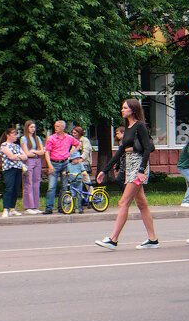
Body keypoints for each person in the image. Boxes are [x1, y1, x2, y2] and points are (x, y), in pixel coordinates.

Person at [94, 99, 159, 249]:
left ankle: (113, 239)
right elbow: (120, 152)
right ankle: (153, 239)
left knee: (123, 202)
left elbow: (148, 148)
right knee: (142, 204)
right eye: (122, 108)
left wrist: (142, 171)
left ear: (133, 110)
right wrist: (105, 170)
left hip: (138, 167)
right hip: (130, 166)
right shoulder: (128, 127)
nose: (122, 110)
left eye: (125, 108)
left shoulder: (140, 126)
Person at [43, 119, 79, 215]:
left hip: (65, 163)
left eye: (58, 126)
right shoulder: (51, 138)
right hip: (54, 163)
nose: (56, 128)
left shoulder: (68, 137)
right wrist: (49, 165)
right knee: (51, 186)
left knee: (64, 186)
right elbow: (47, 152)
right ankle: (49, 208)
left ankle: (62, 207)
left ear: (63, 127)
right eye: (55, 126)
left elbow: (78, 144)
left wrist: (71, 152)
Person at [0, 126, 27, 217]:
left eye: (16, 135)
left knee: (16, 189)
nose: (16, 136)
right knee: (9, 188)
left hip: (18, 168)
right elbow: (11, 156)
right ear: (8, 135)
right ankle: (5, 209)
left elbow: (25, 156)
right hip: (9, 169)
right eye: (14, 134)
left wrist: (17, 156)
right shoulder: (4, 145)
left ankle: (12, 208)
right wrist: (19, 155)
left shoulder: (17, 146)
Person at [20, 120, 44, 214]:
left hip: (37, 160)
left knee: (36, 182)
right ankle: (28, 206)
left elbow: (42, 151)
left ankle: (35, 206)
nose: (33, 129)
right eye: (31, 127)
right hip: (28, 161)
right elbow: (27, 153)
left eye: (34, 127)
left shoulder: (37, 138)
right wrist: (35, 152)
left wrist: (34, 152)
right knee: (28, 183)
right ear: (27, 128)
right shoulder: (24, 138)